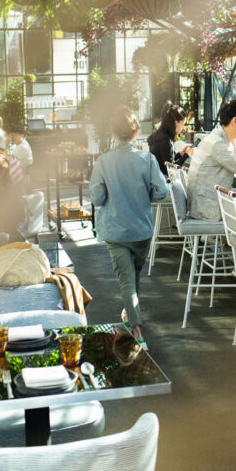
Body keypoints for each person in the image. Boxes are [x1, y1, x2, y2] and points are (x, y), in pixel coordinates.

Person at [90, 105, 168, 350]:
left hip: (116, 231)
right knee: (132, 279)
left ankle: (137, 331)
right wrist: (145, 198)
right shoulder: (147, 159)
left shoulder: (102, 162)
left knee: (127, 282)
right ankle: (129, 318)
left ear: (113, 133)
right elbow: (162, 191)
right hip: (142, 230)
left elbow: (97, 199)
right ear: (136, 133)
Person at [147, 101, 194, 176]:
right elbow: (169, 169)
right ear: (176, 122)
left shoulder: (159, 136)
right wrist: (186, 155)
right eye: (182, 124)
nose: (183, 128)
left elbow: (165, 159)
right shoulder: (165, 141)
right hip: (163, 182)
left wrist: (180, 154)